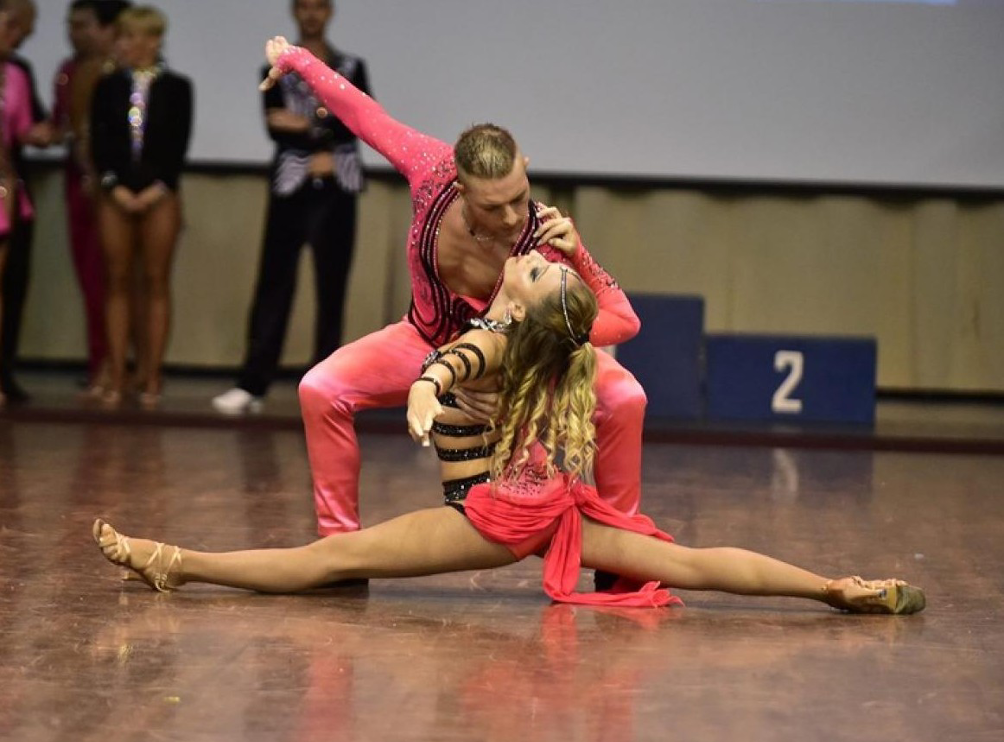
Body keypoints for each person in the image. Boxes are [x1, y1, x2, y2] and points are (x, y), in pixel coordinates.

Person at [93, 251, 926, 615]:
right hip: (552, 503)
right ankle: (836, 588)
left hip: (487, 517)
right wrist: (575, 266)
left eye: (534, 269)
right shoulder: (544, 342)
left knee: (331, 559)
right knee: (691, 561)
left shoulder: (495, 338)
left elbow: (449, 364)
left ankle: (177, 562)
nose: (527, 259)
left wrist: (423, 392)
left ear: (522, 306)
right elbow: (591, 317)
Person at [252, 38, 648, 556]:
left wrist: (579, 261)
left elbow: (611, 323)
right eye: (493, 207)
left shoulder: (545, 239)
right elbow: (363, 114)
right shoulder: (430, 170)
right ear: (460, 189)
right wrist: (297, 60)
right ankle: (337, 549)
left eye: (519, 198)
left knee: (625, 397)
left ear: (526, 168)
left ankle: (622, 552)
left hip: (515, 361)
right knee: (321, 388)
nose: (511, 217)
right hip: (428, 341)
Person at [213, 0, 371, 417]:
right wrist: (325, 123)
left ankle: (327, 389)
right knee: (274, 282)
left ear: (329, 12)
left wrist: (306, 125)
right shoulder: (275, 68)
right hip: (290, 187)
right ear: (295, 12)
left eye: (319, 7)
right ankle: (252, 384)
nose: (311, 15)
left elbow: (360, 120)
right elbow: (275, 126)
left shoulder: (351, 67)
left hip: (337, 186)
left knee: (331, 288)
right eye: (304, 7)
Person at [90, 4, 192, 406]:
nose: (127, 44)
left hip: (159, 193)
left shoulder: (177, 87)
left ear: (154, 40)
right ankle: (118, 373)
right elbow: (99, 141)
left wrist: (156, 188)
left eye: (135, 36)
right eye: (124, 36)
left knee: (156, 280)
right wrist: (114, 186)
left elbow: (178, 143)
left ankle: (152, 374)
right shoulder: (107, 86)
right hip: (115, 192)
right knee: (117, 280)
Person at [51, 0, 132, 398]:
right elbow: (71, 128)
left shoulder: (123, 73)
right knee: (93, 276)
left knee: (119, 277)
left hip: (117, 183)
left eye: (84, 25)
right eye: (71, 25)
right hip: (85, 181)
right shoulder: (71, 70)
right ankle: (101, 360)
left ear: (108, 29)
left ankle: (120, 365)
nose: (74, 33)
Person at [1, 0, 51, 404]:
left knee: (5, 284)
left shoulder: (16, 73)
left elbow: (25, 129)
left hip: (4, 187)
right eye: (12, 26)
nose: (19, 36)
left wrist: (49, 131)